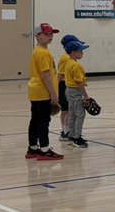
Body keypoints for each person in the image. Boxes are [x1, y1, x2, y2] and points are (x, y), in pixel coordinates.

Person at [26, 22, 63, 161]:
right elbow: (45, 75)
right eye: (46, 34)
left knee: (35, 120)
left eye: (51, 34)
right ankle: (45, 150)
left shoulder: (37, 50)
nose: (50, 36)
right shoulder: (43, 53)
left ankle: (32, 148)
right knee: (43, 121)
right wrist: (53, 93)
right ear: (37, 36)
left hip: (35, 91)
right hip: (43, 92)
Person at [62, 39, 91, 149]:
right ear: (73, 53)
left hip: (68, 90)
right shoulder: (76, 65)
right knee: (80, 114)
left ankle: (72, 134)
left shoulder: (68, 63)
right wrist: (85, 96)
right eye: (80, 51)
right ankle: (77, 138)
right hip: (75, 91)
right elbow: (79, 82)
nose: (82, 53)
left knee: (72, 114)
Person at [56, 33, 78, 140]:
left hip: (63, 85)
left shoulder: (65, 56)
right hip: (65, 85)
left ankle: (65, 130)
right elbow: (60, 75)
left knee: (65, 110)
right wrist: (56, 90)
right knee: (68, 110)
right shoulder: (66, 58)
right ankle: (66, 132)